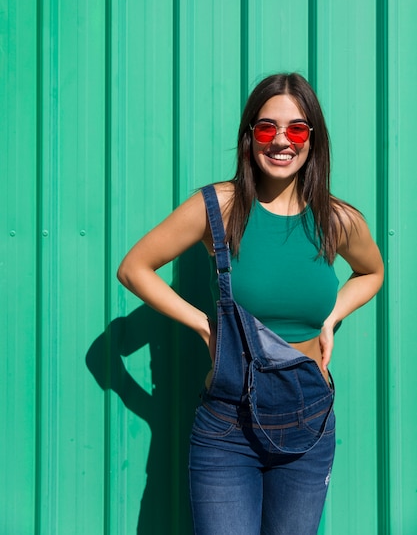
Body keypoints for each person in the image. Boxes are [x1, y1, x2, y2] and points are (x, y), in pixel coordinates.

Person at [117, 73, 384, 535]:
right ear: (249, 136)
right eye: (267, 127)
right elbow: (134, 268)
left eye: (297, 129)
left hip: (309, 424)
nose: (281, 140)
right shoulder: (217, 206)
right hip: (228, 426)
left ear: (312, 139)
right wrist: (205, 326)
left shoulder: (337, 219)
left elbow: (372, 273)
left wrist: (333, 315)